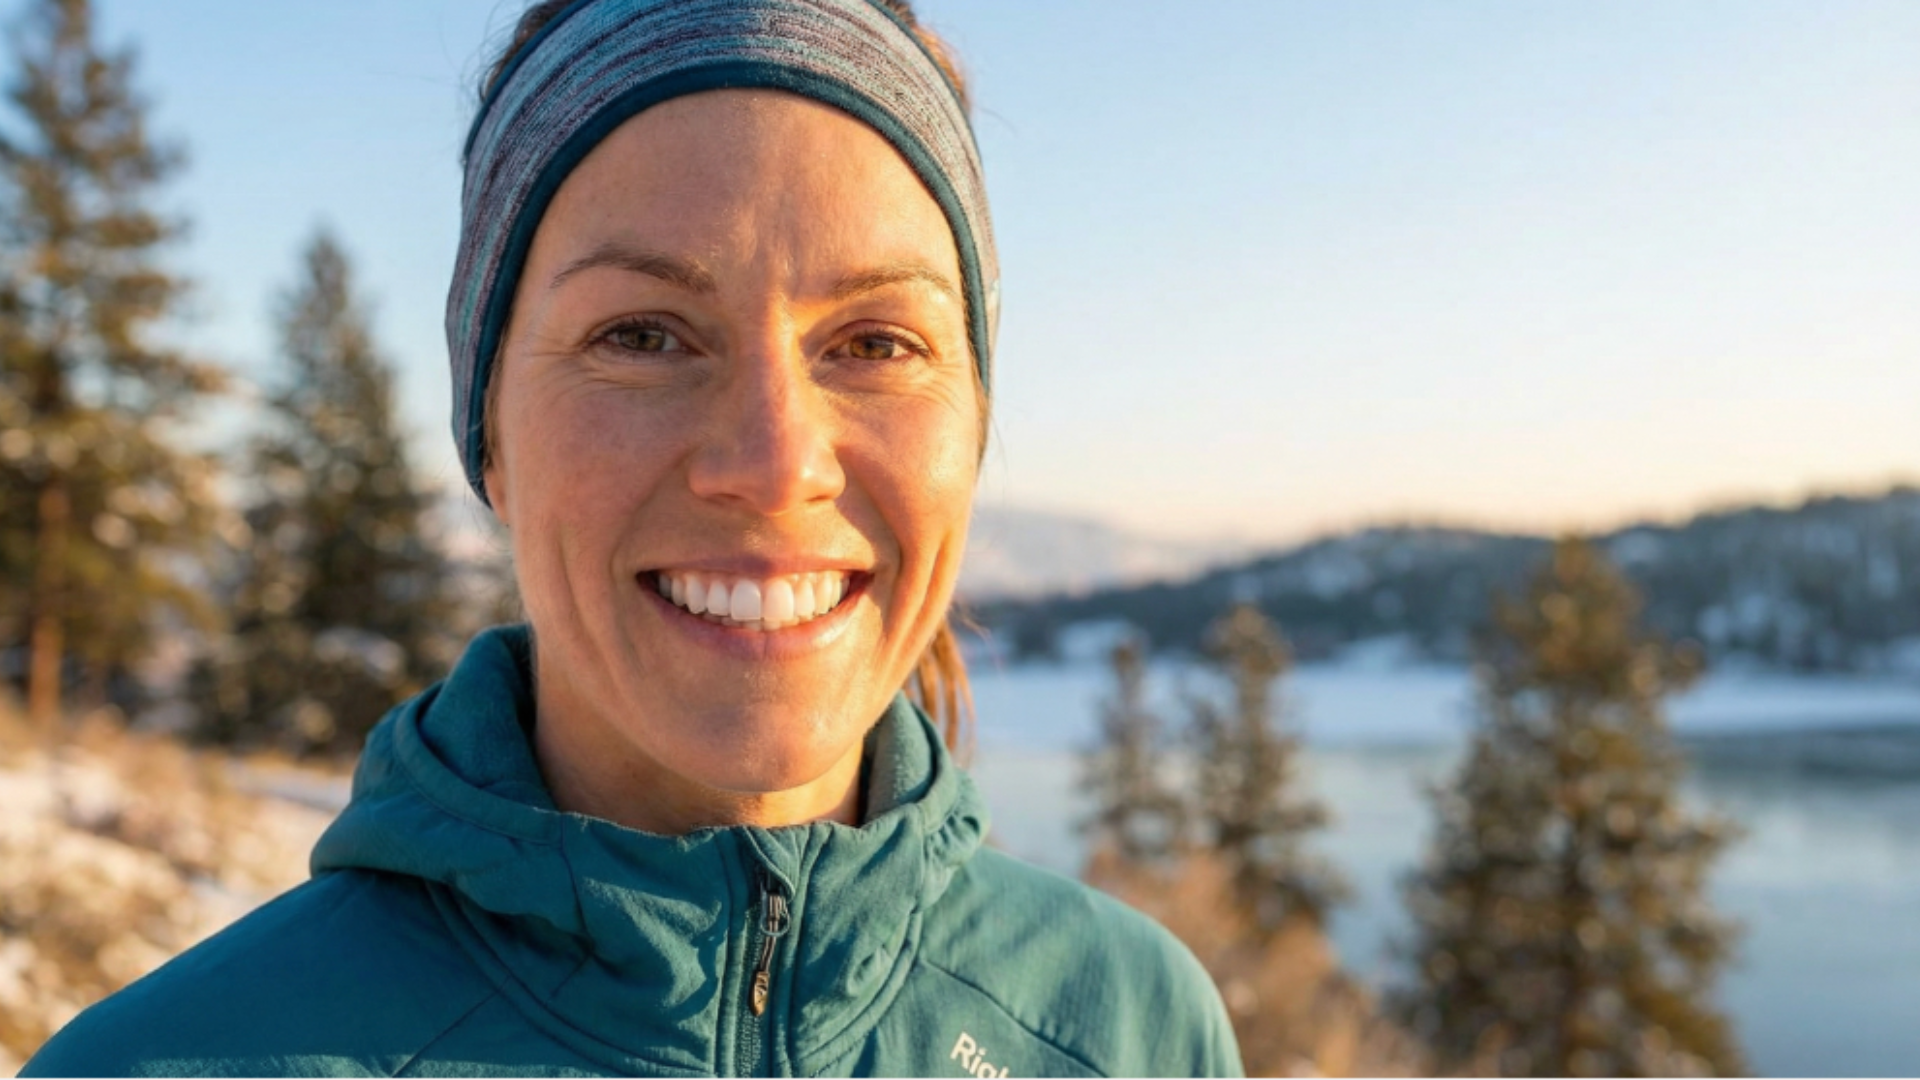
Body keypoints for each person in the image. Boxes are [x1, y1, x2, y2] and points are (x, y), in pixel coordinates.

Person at [25, 1, 1242, 1075]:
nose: (774, 464)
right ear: (488, 430)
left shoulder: (1129, 1029)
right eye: (643, 335)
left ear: (975, 424)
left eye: (874, 344)